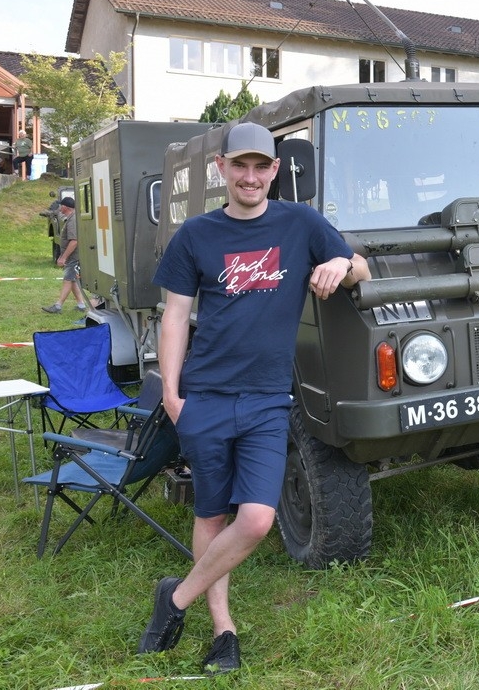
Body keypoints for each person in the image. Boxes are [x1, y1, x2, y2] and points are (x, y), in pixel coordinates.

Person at [138, 121, 371, 673]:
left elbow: (360, 268)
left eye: (260, 166)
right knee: (212, 513)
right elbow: (175, 316)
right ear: (221, 168)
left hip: (267, 399)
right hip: (205, 396)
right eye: (239, 165)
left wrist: (341, 262)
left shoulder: (300, 223)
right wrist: (171, 393)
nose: (250, 176)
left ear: (274, 170)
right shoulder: (196, 235)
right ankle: (224, 631)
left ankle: (175, 598)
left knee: (257, 519)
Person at [41, 197, 86, 314]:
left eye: (61, 206)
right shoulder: (71, 218)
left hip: (74, 257)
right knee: (73, 280)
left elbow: (74, 241)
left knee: (67, 279)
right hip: (73, 256)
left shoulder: (73, 220)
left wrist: (63, 257)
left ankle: (58, 306)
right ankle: (81, 305)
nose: (59, 208)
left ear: (65, 207)